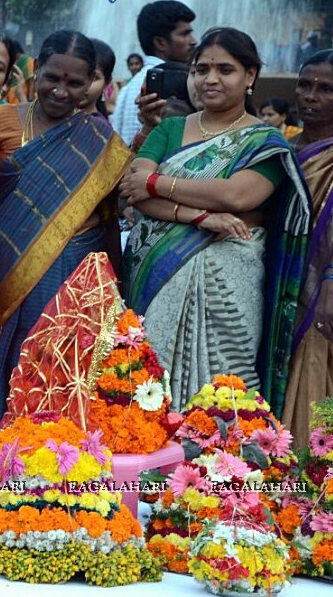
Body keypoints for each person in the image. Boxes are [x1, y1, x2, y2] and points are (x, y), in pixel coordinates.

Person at [120, 27, 310, 412]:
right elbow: (134, 191)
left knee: (228, 392)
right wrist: (202, 216)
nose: (210, 79)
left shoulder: (264, 142)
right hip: (160, 273)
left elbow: (239, 195)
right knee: (147, 387)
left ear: (250, 75)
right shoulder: (170, 129)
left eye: (225, 69)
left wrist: (158, 182)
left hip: (230, 282)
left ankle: (225, 468)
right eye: (201, 68)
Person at [0, 30, 132, 438]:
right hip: (3, 272)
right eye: (52, 78)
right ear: (36, 71)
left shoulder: (101, 141)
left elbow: (109, 219)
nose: (61, 91)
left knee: (60, 374)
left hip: (73, 281)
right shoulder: (1, 121)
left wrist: (118, 289)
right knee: (7, 374)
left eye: (75, 83)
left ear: (92, 83)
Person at [282, 49, 333, 448]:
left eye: (326, 89)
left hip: (331, 289)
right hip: (282, 290)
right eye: (305, 85)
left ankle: (326, 475)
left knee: (330, 372)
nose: (310, 95)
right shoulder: (282, 149)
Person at [111, 0, 196, 145]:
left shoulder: (127, 88)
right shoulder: (175, 84)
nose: (193, 41)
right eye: (185, 34)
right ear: (160, 43)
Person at [82, 38, 118, 119]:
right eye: (78, 74)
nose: (84, 84)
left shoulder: (102, 129)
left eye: (94, 78)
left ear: (107, 83)